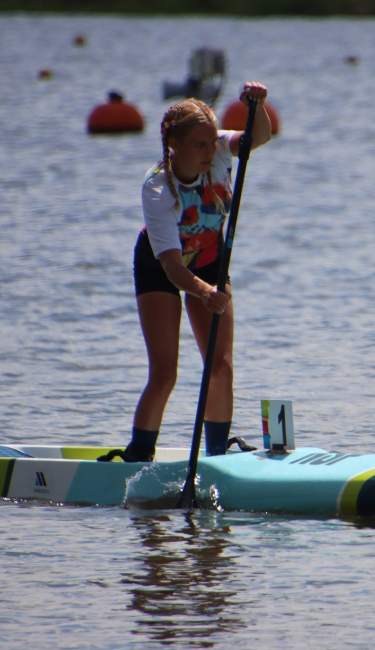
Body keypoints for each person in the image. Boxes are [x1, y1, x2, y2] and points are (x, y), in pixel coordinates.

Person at [123, 82, 271, 463]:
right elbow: (172, 266)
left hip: (209, 258)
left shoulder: (221, 150)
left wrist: (258, 104)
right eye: (199, 145)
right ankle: (139, 454)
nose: (210, 151)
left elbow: (260, 135)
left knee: (220, 366)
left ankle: (217, 457)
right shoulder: (158, 190)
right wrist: (206, 293)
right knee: (165, 373)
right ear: (174, 145)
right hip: (161, 267)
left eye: (212, 141)